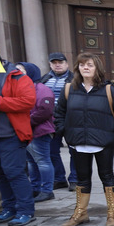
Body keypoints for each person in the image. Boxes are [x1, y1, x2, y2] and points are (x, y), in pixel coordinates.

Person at [55, 53, 114, 226]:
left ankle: (112, 214)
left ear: (97, 68)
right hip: (78, 142)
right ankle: (81, 213)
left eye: (89, 65)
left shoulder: (109, 90)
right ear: (77, 69)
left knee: (107, 176)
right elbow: (59, 113)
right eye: (82, 65)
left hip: (103, 143)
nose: (85, 68)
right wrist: (63, 131)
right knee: (82, 179)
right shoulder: (69, 89)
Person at [0, 59, 37, 226]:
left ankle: (26, 210)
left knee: (14, 173)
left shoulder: (17, 76)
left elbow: (27, 101)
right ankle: (9, 208)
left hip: (10, 134)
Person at [15, 62, 56, 203]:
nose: (16, 73)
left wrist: (24, 122)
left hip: (39, 132)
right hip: (25, 132)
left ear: (30, 72)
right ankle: (35, 188)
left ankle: (47, 190)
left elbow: (44, 111)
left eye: (20, 70)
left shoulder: (42, 89)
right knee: (31, 163)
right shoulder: (22, 88)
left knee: (43, 162)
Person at [40, 53, 76, 190]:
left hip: (70, 119)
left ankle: (75, 179)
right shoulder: (44, 79)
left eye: (60, 62)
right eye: (54, 62)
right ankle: (59, 178)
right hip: (50, 121)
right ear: (50, 64)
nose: (57, 64)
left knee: (75, 150)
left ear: (66, 64)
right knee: (52, 150)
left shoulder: (75, 79)